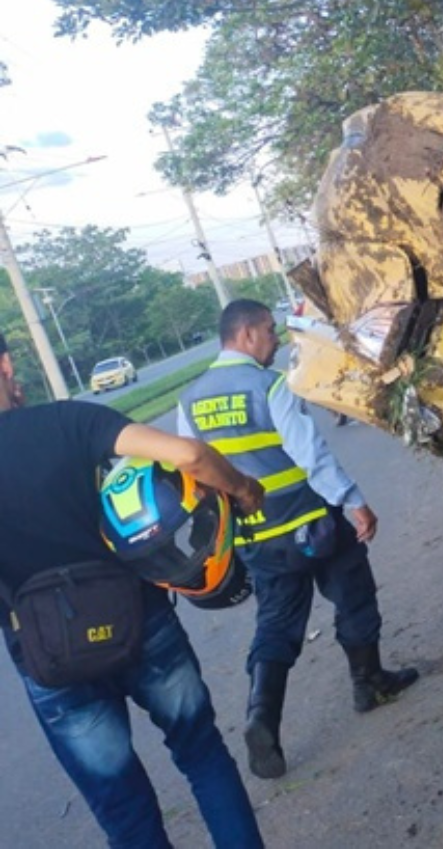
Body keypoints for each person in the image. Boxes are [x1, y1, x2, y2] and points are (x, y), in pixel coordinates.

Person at [0, 331, 268, 848]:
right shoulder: (68, 421)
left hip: (50, 659)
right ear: (7, 365)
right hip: (142, 623)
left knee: (124, 812)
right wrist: (244, 489)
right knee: (202, 754)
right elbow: (188, 454)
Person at [177, 299, 418, 781]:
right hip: (312, 523)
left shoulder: (190, 401)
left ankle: (261, 716)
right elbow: (309, 453)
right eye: (268, 330)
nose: (275, 339)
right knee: (353, 593)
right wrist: (353, 500)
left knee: (276, 623)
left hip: (258, 538)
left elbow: (191, 472)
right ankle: (368, 683)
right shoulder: (269, 386)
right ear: (244, 336)